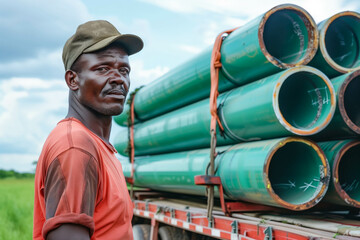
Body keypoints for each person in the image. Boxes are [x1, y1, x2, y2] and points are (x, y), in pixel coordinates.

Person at [33, 20, 143, 240]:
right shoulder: (75, 147)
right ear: (73, 80)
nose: (118, 79)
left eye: (124, 70)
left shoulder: (100, 147)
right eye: (102, 69)